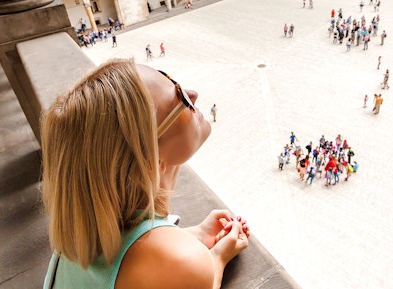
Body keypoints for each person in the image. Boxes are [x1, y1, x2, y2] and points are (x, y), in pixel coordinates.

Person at [41, 59, 249, 289]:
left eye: (172, 80)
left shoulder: (83, 228)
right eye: (180, 98)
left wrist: (196, 234)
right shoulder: (184, 261)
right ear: (149, 161)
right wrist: (216, 259)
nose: (193, 94)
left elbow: (127, 256)